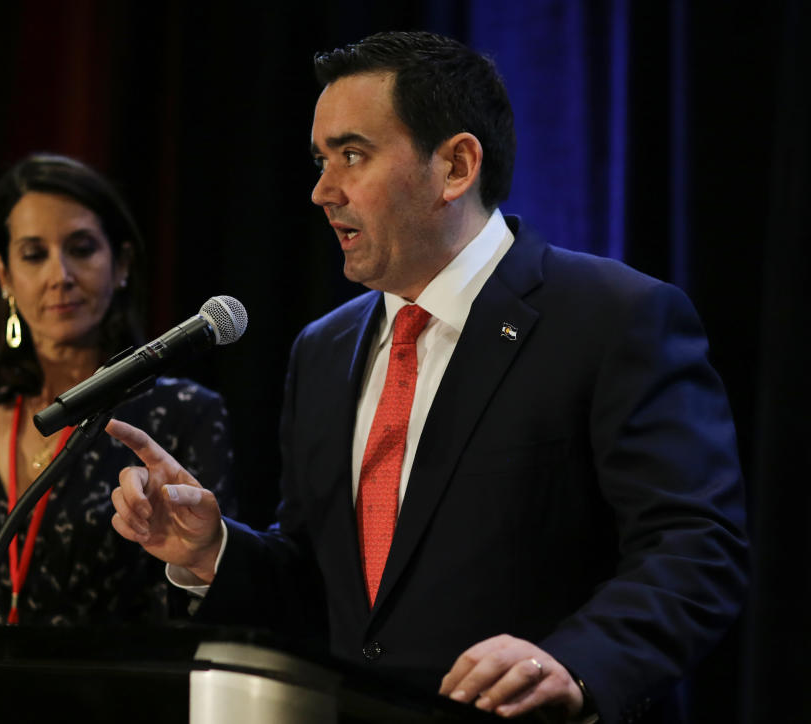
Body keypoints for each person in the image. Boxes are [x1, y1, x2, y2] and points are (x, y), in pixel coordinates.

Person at [108, 31, 748, 723]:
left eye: (352, 155)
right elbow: (328, 590)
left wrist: (576, 662)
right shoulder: (323, 350)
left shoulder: (612, 318)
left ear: (456, 166)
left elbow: (695, 549)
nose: (323, 190)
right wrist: (215, 551)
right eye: (321, 160)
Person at [0, 153, 236, 721]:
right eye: (33, 254)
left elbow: (211, 614)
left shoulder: (183, 413)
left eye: (81, 249)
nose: (59, 276)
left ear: (120, 265)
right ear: (4, 276)